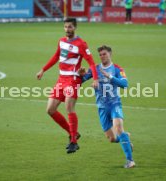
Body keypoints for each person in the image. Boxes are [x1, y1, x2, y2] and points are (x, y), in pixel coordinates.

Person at [36, 18, 98, 154]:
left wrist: (96, 79)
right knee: (50, 110)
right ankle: (73, 133)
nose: (67, 30)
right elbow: (56, 56)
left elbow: (92, 63)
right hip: (61, 79)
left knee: (69, 107)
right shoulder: (61, 41)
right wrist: (43, 70)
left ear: (75, 27)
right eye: (65, 27)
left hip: (73, 79)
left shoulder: (81, 44)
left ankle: (73, 142)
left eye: (70, 27)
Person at [78, 45, 135, 168]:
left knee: (119, 129)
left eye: (104, 54)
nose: (102, 56)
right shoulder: (95, 69)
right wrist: (80, 75)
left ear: (110, 54)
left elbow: (125, 84)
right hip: (102, 107)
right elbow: (79, 81)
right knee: (112, 138)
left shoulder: (117, 69)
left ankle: (130, 160)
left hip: (115, 104)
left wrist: (109, 76)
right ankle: (126, 138)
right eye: (100, 55)